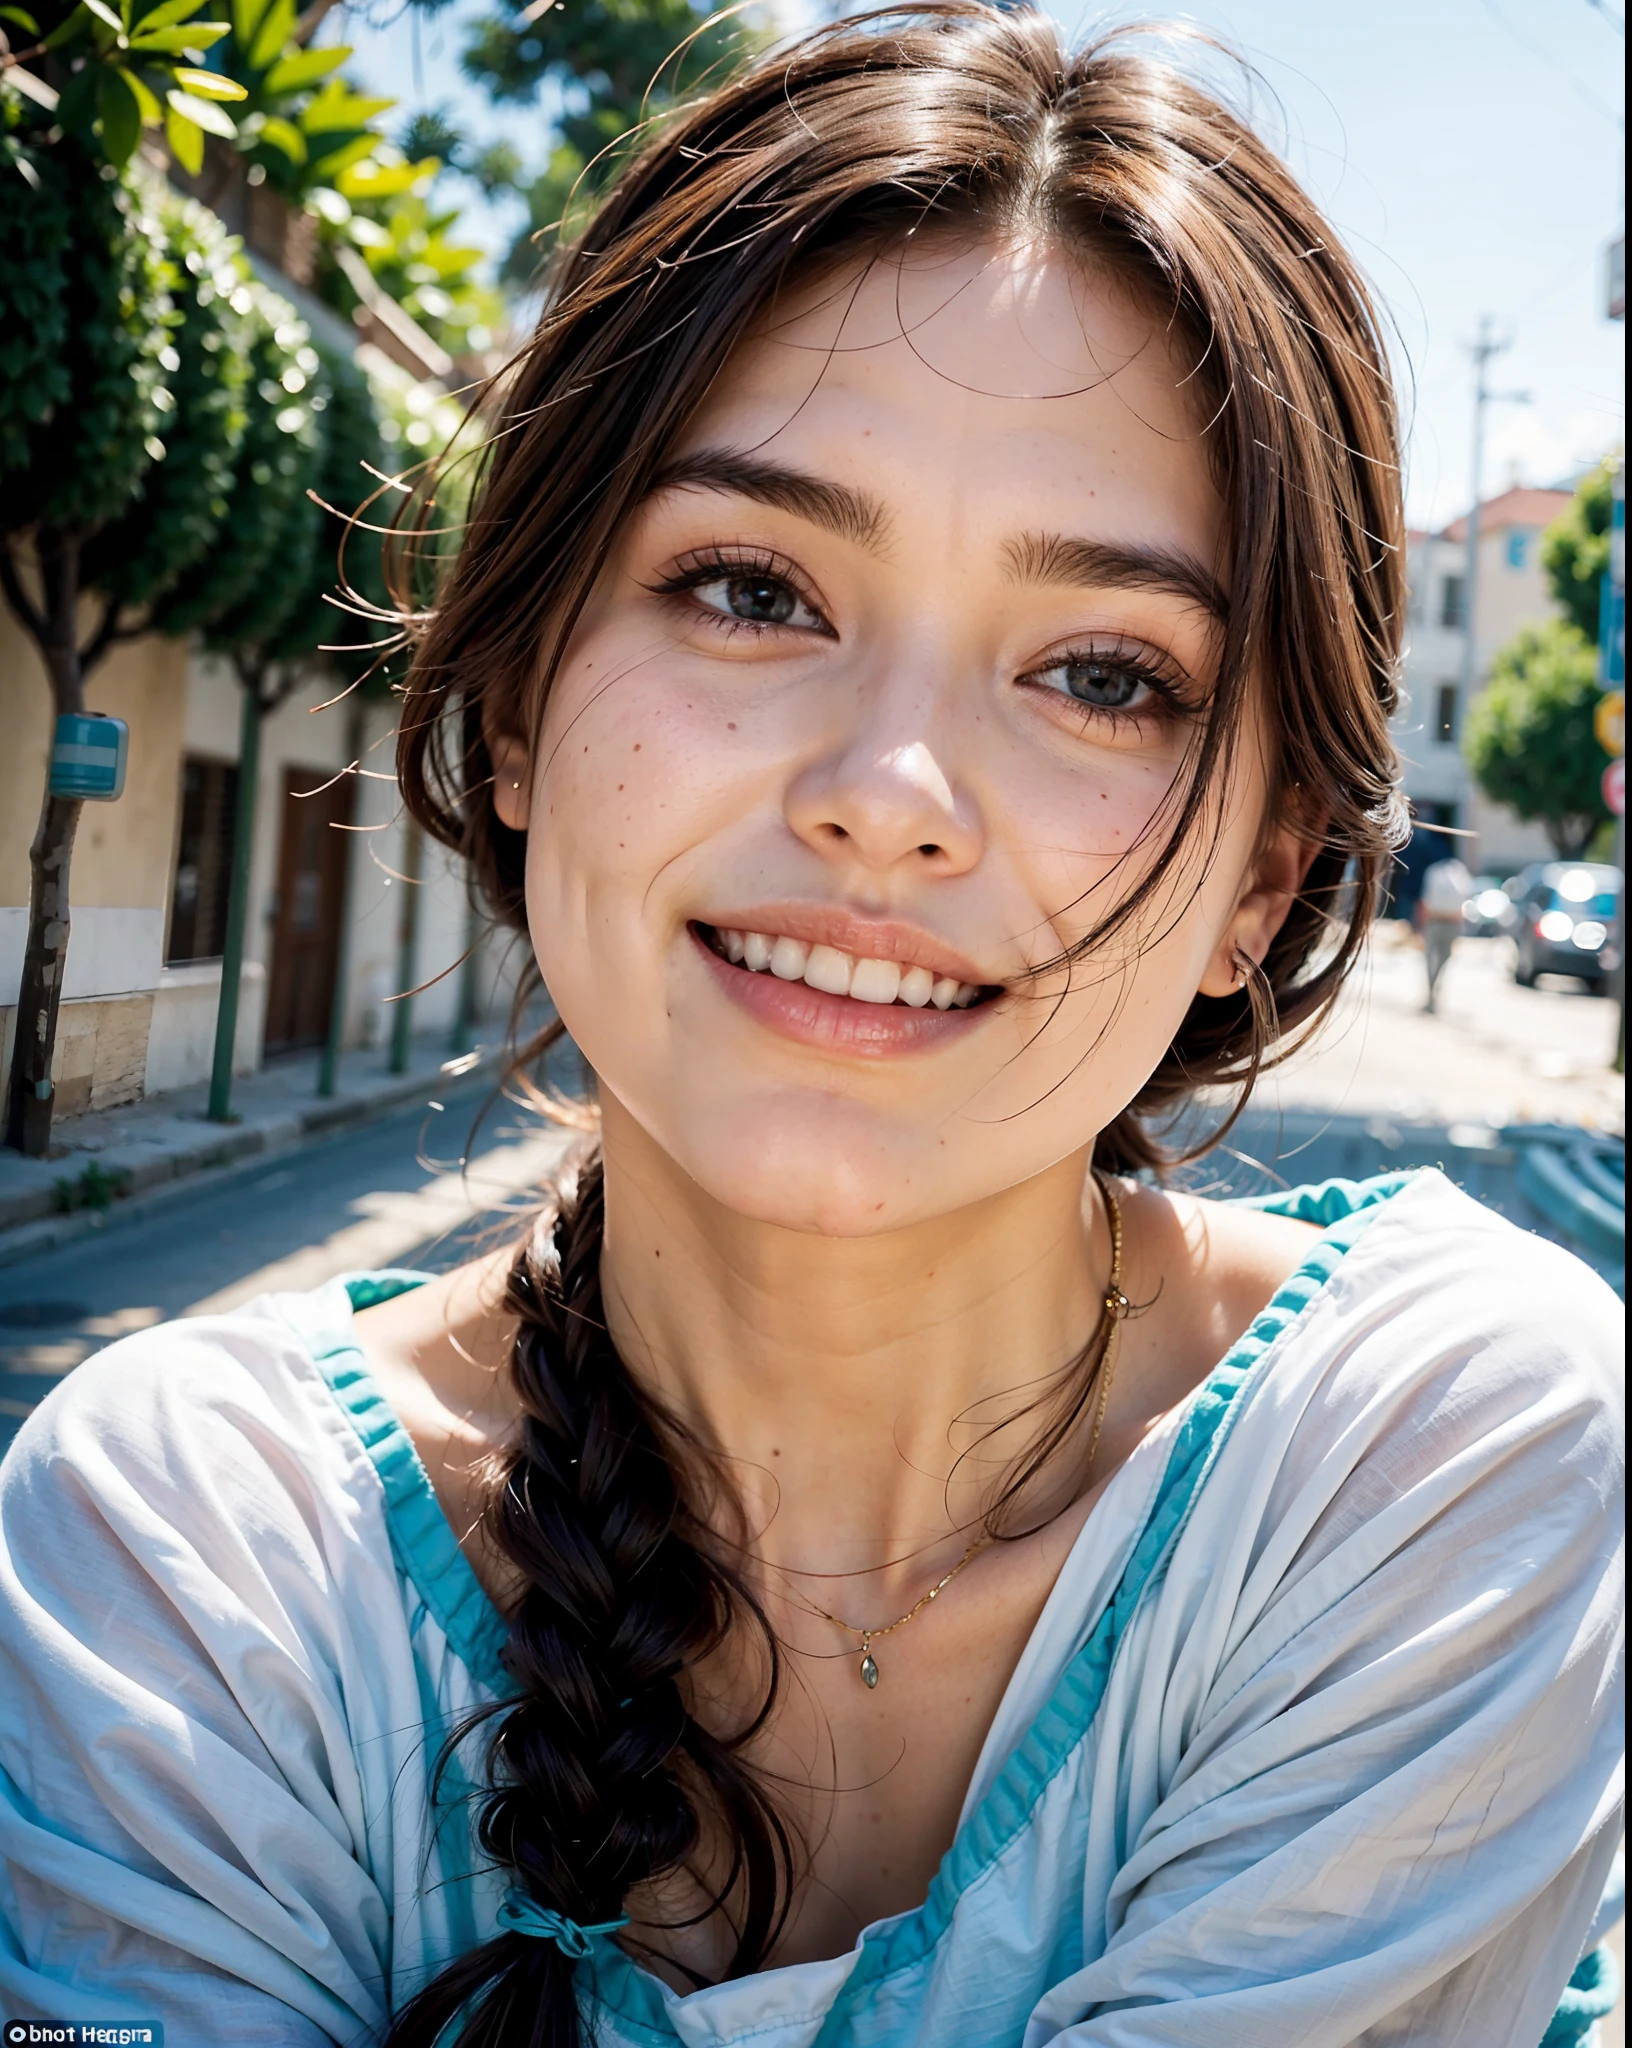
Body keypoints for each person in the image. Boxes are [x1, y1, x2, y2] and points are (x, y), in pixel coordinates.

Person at [0, 12, 1622, 2047]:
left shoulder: (1432, 1462)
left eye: (1106, 673)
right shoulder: (180, 1550)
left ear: (1271, 876)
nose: (892, 788)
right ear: (514, 704)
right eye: (755, 588)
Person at [1419, 852, 1475, 1013]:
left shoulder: (1433, 872)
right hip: (1451, 923)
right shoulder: (1460, 873)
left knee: (1431, 959)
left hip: (1435, 920)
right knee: (1443, 959)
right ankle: (1434, 990)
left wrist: (1421, 925)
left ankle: (1432, 990)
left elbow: (1425, 898)